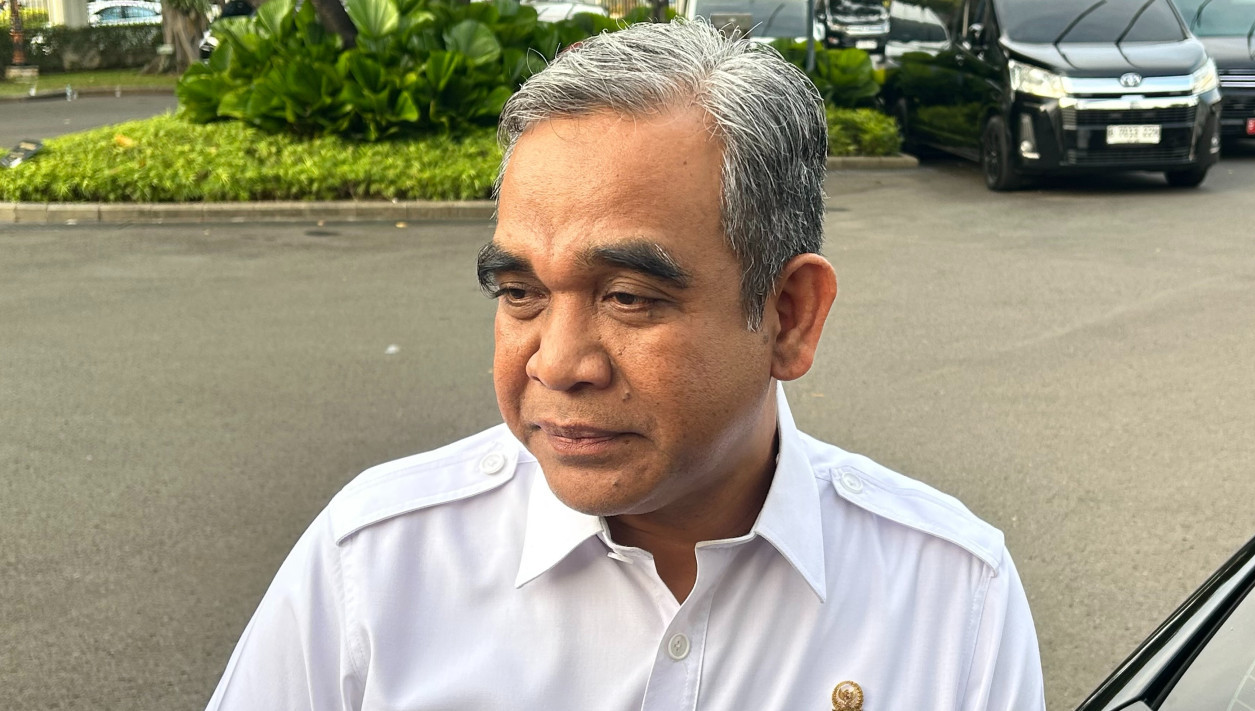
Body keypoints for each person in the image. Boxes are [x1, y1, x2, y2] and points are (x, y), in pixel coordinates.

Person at [205, 18, 1045, 711]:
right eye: (520, 292)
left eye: (629, 297)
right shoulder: (374, 563)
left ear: (789, 316)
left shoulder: (950, 597)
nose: (558, 363)